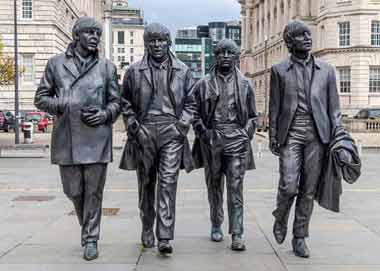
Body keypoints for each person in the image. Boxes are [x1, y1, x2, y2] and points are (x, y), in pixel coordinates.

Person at [34, 16, 120, 261]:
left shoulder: (106, 67)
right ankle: (87, 227)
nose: (95, 38)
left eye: (97, 34)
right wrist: (60, 103)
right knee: (73, 191)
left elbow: (116, 102)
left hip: (97, 137)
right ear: (77, 36)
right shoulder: (55, 64)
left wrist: (105, 114)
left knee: (93, 192)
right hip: (67, 138)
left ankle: (91, 238)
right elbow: (40, 98)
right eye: (90, 33)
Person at [119, 23, 196, 254]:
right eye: (152, 41)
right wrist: (134, 128)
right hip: (145, 131)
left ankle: (164, 235)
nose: (157, 45)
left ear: (168, 42)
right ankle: (146, 226)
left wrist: (181, 126)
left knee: (168, 183)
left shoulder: (183, 70)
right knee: (146, 183)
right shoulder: (133, 71)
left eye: (161, 40)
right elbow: (125, 103)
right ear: (146, 44)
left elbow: (192, 103)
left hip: (171, 132)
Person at [269, 20, 342, 258]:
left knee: (308, 190)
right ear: (290, 42)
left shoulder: (327, 71)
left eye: (308, 35)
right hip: (290, 134)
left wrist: (337, 135)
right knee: (289, 185)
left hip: (317, 136)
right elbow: (275, 107)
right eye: (301, 36)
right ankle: (281, 216)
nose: (307, 39)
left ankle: (300, 236)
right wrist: (272, 135)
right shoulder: (279, 70)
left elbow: (334, 109)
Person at [192, 39, 257, 251]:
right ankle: (216, 223)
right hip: (213, 139)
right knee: (214, 186)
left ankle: (237, 232)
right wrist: (204, 133)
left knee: (235, 188)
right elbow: (193, 112)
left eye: (230, 53)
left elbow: (253, 117)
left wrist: (245, 134)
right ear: (215, 56)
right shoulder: (203, 83)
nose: (226, 56)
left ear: (236, 56)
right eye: (221, 53)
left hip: (236, 139)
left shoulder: (245, 84)